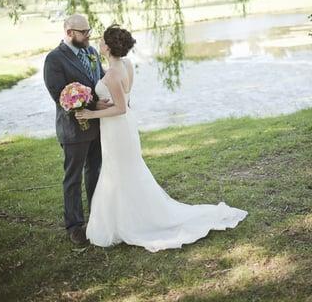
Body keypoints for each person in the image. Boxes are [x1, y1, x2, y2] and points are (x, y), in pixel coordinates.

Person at [75, 24, 248, 253]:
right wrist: (100, 103)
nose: (99, 44)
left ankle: (131, 221)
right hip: (121, 129)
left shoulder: (114, 73)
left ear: (107, 46)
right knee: (125, 171)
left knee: (120, 171)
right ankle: (126, 216)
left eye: (102, 41)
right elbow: (126, 98)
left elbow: (121, 108)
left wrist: (91, 113)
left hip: (117, 127)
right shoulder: (125, 64)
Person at [43, 14, 110, 245]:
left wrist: (110, 98)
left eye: (89, 30)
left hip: (98, 123)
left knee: (95, 170)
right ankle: (74, 225)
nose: (88, 35)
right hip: (73, 129)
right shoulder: (54, 59)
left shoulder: (91, 53)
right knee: (72, 177)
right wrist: (93, 104)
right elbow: (59, 95)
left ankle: (96, 215)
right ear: (69, 32)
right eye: (84, 32)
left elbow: (100, 78)